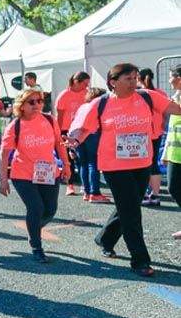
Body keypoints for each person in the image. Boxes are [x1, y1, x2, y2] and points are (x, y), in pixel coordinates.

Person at [67, 63, 181, 277]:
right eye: (128, 79)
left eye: (135, 78)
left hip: (142, 164)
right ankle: (140, 260)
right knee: (131, 212)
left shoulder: (147, 97)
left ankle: (105, 238)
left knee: (128, 206)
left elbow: (176, 110)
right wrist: (74, 141)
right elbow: (83, 129)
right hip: (114, 166)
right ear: (113, 82)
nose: (134, 82)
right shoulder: (100, 104)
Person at [0, 89, 70, 263]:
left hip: (48, 172)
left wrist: (66, 165)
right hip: (23, 174)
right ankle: (37, 246)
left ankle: (33, 230)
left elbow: (59, 144)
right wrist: (3, 180)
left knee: (50, 210)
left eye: (40, 101)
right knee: (36, 208)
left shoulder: (49, 119)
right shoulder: (15, 126)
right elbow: (4, 154)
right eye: (32, 102)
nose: (37, 105)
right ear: (21, 106)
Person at [53, 72, 91, 197]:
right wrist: (57, 133)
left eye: (87, 84)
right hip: (66, 130)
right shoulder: (64, 95)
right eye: (85, 84)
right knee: (68, 160)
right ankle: (70, 185)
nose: (86, 87)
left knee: (82, 158)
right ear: (76, 82)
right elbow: (60, 117)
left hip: (81, 129)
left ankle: (84, 186)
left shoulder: (86, 94)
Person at [137, 68, 169, 207]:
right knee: (153, 162)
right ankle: (155, 196)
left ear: (138, 78)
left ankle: (143, 194)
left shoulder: (137, 94)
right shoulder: (160, 93)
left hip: (141, 133)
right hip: (157, 132)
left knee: (141, 163)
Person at [77, 88, 110, 203]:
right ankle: (94, 192)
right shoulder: (97, 106)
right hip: (92, 134)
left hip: (78, 135)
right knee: (93, 163)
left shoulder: (82, 107)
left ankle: (87, 191)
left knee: (83, 164)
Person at [165, 67, 181, 238]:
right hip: (175, 153)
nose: (169, 80)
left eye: (171, 77)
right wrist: (165, 153)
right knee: (174, 187)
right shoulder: (175, 98)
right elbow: (173, 129)